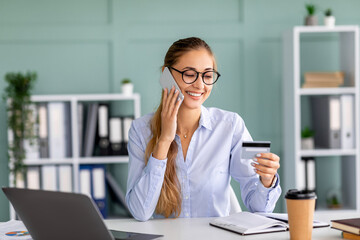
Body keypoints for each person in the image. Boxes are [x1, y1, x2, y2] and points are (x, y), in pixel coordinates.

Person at [125, 37, 281, 221]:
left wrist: (267, 180)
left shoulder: (231, 126)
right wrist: (165, 140)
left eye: (207, 76)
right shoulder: (141, 130)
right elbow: (140, 212)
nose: (200, 85)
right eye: (189, 74)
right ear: (165, 75)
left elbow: (260, 209)